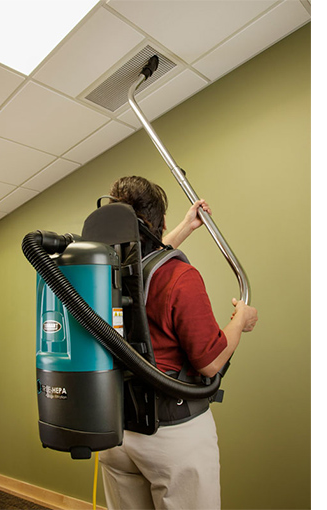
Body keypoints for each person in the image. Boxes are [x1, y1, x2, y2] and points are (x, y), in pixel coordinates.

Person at [99, 176, 258, 510]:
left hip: (117, 435)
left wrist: (187, 226)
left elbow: (144, 264)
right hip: (171, 437)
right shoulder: (181, 278)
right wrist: (240, 320)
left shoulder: (103, 275)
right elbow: (210, 362)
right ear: (159, 224)